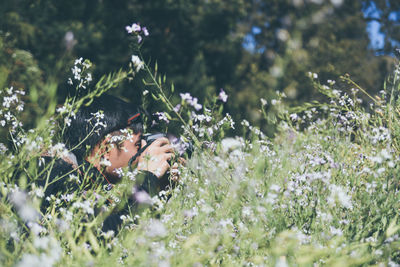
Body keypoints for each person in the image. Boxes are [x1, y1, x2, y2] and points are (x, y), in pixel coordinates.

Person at [39, 94, 179, 231]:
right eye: (137, 144)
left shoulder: (91, 180)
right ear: (107, 147)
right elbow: (94, 235)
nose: (142, 152)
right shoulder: (53, 172)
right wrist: (147, 179)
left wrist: (160, 190)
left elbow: (132, 239)